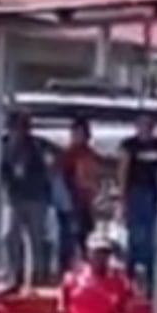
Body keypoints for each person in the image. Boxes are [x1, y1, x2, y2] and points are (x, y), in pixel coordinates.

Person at [118, 112, 157, 291]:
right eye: (142, 124)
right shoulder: (129, 145)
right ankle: (129, 276)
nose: (145, 127)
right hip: (135, 193)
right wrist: (122, 199)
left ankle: (150, 279)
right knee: (135, 237)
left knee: (150, 238)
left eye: (148, 124)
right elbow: (123, 172)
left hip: (153, 194)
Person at [0, 110, 52, 287]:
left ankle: (39, 276)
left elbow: (47, 168)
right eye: (14, 128)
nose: (18, 132)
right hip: (16, 198)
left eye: (21, 127)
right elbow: (3, 169)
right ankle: (15, 273)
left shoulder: (36, 146)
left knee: (36, 238)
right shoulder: (4, 145)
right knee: (10, 236)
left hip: (36, 198)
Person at [61, 233, 132, 313]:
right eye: (97, 252)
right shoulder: (74, 277)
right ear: (89, 253)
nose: (101, 257)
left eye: (105, 253)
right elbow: (63, 306)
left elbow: (125, 309)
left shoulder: (118, 281)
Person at [58, 116, 102, 270]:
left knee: (85, 237)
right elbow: (61, 179)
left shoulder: (90, 154)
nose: (78, 136)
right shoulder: (67, 155)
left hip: (85, 203)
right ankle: (67, 269)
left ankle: (85, 266)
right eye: (75, 133)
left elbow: (96, 176)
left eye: (82, 133)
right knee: (69, 240)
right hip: (70, 203)